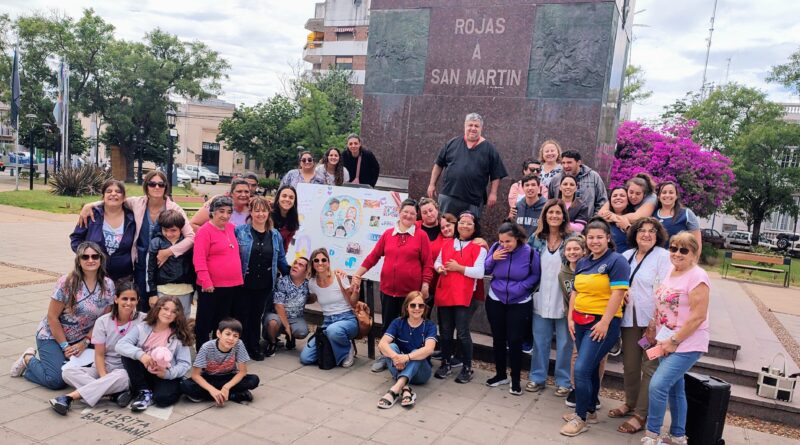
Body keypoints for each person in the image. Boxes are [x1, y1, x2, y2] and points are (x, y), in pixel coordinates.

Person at [78, 171, 195, 311]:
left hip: (164, 266)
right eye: (152, 184)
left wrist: (169, 252)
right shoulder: (137, 203)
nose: (157, 187)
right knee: (142, 306)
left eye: (161, 184)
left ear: (166, 187)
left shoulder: (174, 209)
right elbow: (115, 200)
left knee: (162, 307)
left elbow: (191, 237)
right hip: (140, 265)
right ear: (146, 186)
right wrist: (89, 205)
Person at [10, 242, 116, 390]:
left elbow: (102, 321)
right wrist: (65, 346)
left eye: (95, 256)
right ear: (78, 260)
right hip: (53, 336)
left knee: (101, 365)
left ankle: (57, 363)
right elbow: (52, 317)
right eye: (85, 257)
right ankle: (28, 359)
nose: (90, 260)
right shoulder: (67, 282)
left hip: (83, 338)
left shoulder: (108, 285)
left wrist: (85, 342)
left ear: (100, 259)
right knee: (56, 381)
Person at [561, 218, 630, 437]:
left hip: (601, 323)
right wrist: (570, 318)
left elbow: (618, 294)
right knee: (588, 368)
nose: (595, 241)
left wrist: (605, 322)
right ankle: (590, 410)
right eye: (590, 237)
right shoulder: (583, 262)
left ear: (608, 238)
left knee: (581, 369)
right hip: (580, 321)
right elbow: (575, 292)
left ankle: (580, 417)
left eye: (600, 237)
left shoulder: (617, 261)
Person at [641, 232, 711, 445]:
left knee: (658, 385)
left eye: (683, 250)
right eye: (673, 248)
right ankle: (678, 436)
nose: (677, 254)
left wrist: (675, 341)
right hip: (665, 339)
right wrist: (652, 327)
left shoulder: (698, 276)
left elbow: (698, 316)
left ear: (694, 254)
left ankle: (652, 434)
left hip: (687, 342)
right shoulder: (671, 271)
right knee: (675, 388)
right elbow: (662, 303)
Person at [352, 199, 433, 372]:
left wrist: (425, 284)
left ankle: (411, 358)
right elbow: (373, 256)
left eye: (412, 213)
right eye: (406, 212)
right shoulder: (388, 234)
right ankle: (386, 356)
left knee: (411, 325)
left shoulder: (421, 236)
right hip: (388, 290)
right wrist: (358, 274)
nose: (408, 216)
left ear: (416, 217)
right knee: (389, 324)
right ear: (399, 212)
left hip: (410, 294)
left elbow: (428, 263)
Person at [611, 217, 671, 434]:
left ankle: (641, 414)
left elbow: (665, 292)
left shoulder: (663, 257)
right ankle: (630, 402)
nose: (646, 234)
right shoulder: (626, 256)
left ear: (658, 235)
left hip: (653, 324)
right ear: (634, 234)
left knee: (650, 367)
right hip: (629, 321)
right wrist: (623, 290)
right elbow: (615, 281)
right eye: (641, 230)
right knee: (630, 365)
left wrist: (654, 323)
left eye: (651, 231)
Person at [51, 281, 146, 414]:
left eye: (133, 299)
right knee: (67, 372)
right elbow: (99, 354)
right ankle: (113, 394)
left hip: (124, 371)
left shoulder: (143, 320)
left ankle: (68, 398)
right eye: (124, 298)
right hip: (102, 366)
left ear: (138, 300)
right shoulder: (103, 321)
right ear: (116, 299)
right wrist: (103, 378)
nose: (128, 303)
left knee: (123, 377)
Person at [484, 222, 540, 395]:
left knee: (515, 340)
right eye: (501, 241)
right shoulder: (496, 248)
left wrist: (522, 287)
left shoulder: (530, 253)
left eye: (508, 241)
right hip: (496, 298)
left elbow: (535, 275)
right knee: (498, 338)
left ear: (517, 238)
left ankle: (516, 380)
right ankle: (500, 374)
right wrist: (493, 258)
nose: (504, 245)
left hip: (519, 301)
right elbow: (485, 269)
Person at [433, 211, 487, 384]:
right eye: (462, 222)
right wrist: (439, 268)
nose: (465, 226)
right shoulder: (448, 243)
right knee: (445, 331)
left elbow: (479, 272)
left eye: (469, 223)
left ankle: (467, 367)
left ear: (475, 228)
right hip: (446, 292)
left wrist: (459, 268)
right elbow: (437, 261)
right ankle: (446, 363)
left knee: (463, 332)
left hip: (464, 295)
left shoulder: (479, 248)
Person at [235, 196, 290, 360]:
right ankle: (241, 348)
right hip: (244, 282)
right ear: (251, 212)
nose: (260, 214)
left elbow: (280, 259)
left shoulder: (275, 235)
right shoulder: (240, 231)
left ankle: (254, 345)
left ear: (268, 212)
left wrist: (291, 274)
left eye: (264, 211)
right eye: (257, 210)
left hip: (264, 284)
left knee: (256, 316)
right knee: (242, 316)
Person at [116, 296, 193, 412]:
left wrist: (167, 374)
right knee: (128, 354)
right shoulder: (142, 327)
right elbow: (120, 345)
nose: (168, 314)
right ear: (158, 309)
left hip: (164, 373)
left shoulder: (179, 335)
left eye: (173, 312)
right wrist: (141, 355)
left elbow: (185, 364)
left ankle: (141, 391)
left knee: (162, 399)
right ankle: (143, 391)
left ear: (178, 315)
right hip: (144, 371)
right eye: (165, 309)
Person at [527, 200, 572, 396]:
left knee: (565, 343)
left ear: (564, 216)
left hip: (564, 300)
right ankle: (538, 377)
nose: (554, 216)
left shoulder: (572, 239)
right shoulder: (536, 239)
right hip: (541, 296)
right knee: (540, 341)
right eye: (550, 212)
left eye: (558, 212)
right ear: (544, 215)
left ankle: (563, 381)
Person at [427, 113, 508, 219]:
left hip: (473, 200)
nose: (473, 128)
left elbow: (496, 174)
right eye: (470, 125)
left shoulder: (489, 149)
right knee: (445, 226)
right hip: (448, 195)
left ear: (481, 128)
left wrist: (493, 193)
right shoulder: (452, 143)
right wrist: (432, 184)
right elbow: (438, 164)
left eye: (476, 126)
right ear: (465, 126)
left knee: (468, 227)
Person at [193, 196, 244, 349]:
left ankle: (219, 352)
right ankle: (202, 351)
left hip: (231, 285)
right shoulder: (204, 231)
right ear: (213, 212)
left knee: (222, 323)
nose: (225, 215)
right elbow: (199, 258)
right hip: (211, 286)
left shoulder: (232, 228)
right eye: (221, 211)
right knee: (205, 321)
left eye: (229, 212)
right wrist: (205, 281)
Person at [376, 291, 438, 409]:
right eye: (413, 305)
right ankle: (405, 388)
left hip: (421, 374)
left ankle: (394, 390)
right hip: (399, 366)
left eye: (421, 305)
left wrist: (407, 357)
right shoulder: (398, 322)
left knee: (418, 352)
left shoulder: (430, 326)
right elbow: (382, 344)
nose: (417, 308)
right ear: (407, 307)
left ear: (425, 308)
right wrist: (395, 357)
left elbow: (429, 349)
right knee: (391, 347)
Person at [299, 249, 359, 367]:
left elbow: (353, 302)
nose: (320, 263)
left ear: (328, 262)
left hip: (347, 319)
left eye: (323, 260)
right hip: (327, 322)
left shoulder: (339, 277)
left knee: (333, 330)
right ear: (312, 263)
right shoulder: (312, 283)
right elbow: (311, 298)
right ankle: (334, 346)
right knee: (305, 358)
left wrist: (356, 291)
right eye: (316, 260)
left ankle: (347, 349)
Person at [180, 318, 260, 404]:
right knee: (185, 385)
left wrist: (226, 387)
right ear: (219, 333)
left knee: (253, 380)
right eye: (228, 334)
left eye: (235, 336)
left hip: (229, 377)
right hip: (209, 378)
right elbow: (196, 375)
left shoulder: (239, 344)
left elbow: (242, 372)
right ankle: (232, 395)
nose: (231, 338)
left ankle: (217, 395)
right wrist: (212, 390)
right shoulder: (206, 347)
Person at [69, 179, 136, 281]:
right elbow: (76, 238)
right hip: (93, 276)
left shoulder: (132, 219)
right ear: (103, 196)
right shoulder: (91, 214)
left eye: (118, 191)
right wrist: (86, 255)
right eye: (109, 191)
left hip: (123, 277)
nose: (113, 194)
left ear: (124, 198)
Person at [147, 210, 195, 316]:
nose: (169, 234)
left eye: (173, 230)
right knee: (163, 318)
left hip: (185, 290)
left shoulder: (188, 244)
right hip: (163, 290)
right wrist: (152, 293)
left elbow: (193, 268)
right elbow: (151, 270)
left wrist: (193, 292)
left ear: (181, 229)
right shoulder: (156, 243)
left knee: (183, 319)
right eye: (165, 230)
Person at [263, 257, 311, 356]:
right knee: (272, 323)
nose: (295, 266)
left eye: (300, 265)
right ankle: (272, 342)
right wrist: (287, 327)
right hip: (277, 315)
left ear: (306, 272)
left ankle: (291, 337)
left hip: (296, 317)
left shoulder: (308, 285)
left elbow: (311, 298)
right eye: (295, 263)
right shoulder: (282, 282)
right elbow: (278, 306)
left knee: (302, 332)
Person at [546, 150, 607, 217]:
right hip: (560, 221)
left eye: (569, 162)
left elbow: (602, 201)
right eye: (563, 163)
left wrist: (594, 219)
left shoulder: (593, 177)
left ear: (578, 162)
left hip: (588, 221)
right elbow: (550, 202)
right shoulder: (556, 179)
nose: (565, 166)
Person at [653, 182, 702, 253]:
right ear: (658, 196)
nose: (667, 195)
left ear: (676, 196)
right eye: (664, 192)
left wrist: (694, 259)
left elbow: (697, 243)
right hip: (655, 257)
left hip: (677, 257)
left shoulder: (686, 214)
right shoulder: (652, 214)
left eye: (671, 192)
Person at [604, 186, 633, 253]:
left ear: (628, 201)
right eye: (614, 196)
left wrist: (627, 227)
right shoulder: (604, 221)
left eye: (622, 195)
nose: (618, 198)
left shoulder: (635, 220)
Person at [272, 185, 299, 252]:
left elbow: (284, 247)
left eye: (291, 197)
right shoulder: (267, 213)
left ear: (294, 201)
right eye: (284, 196)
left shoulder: (293, 222)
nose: (287, 199)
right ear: (278, 198)